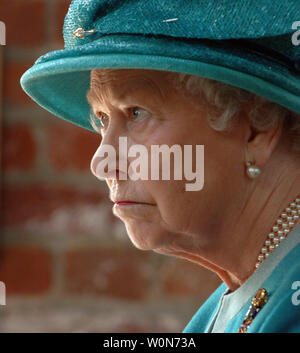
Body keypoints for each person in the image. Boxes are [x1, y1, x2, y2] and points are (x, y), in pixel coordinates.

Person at [20, 0, 300, 333]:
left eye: (136, 112)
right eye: (102, 118)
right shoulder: (250, 292)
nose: (102, 162)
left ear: (256, 127)